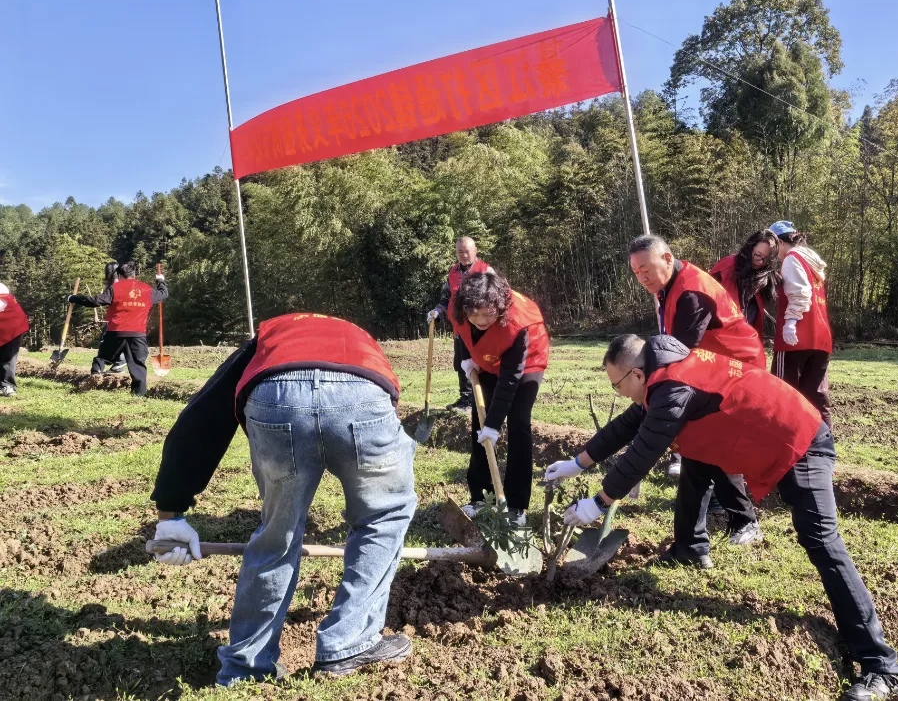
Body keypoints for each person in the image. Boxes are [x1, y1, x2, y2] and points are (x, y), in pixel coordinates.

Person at [544, 334, 898, 701]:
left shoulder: (673, 388)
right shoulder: (667, 372)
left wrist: (600, 502)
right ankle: (690, 547)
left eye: (616, 385)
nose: (618, 392)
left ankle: (881, 665)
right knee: (698, 458)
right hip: (772, 434)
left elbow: (644, 450)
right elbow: (629, 424)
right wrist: (577, 463)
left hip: (801, 443)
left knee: (822, 542)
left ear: (636, 374)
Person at [148, 312, 417, 685]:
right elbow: (387, 398)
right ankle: (350, 642)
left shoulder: (267, 339)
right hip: (362, 390)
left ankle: (247, 664)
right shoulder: (359, 337)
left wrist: (171, 513)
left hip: (277, 396)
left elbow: (202, 418)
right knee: (383, 515)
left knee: (278, 531)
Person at [628, 234, 765, 560]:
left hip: (736, 370)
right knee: (699, 450)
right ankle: (693, 543)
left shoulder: (691, 292)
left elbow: (677, 355)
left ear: (666, 258)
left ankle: (741, 522)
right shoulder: (670, 287)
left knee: (711, 443)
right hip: (710, 369)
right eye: (636, 272)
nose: (642, 276)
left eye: (646, 268)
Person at [449, 270, 548, 526]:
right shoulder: (460, 308)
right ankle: (480, 499)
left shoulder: (519, 323)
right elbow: (462, 333)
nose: (480, 320)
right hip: (488, 359)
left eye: (488, 314)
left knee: (518, 422)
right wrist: (466, 358)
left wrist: (494, 424)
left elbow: (510, 379)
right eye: (474, 313)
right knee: (478, 425)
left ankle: (516, 505)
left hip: (526, 365)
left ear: (500, 308)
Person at [770, 221, 834, 428]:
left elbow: (800, 293)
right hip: (821, 338)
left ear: (780, 241)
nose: (772, 251)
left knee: (783, 392)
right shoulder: (812, 263)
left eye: (772, 245)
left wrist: (790, 322)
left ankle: (784, 442)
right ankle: (823, 444)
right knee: (816, 395)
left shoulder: (791, 258)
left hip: (796, 338)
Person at [68, 262, 167, 396]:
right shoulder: (146, 289)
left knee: (103, 356)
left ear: (119, 275)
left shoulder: (115, 288)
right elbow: (163, 293)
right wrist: (160, 280)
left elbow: (95, 301)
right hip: (137, 334)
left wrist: (74, 298)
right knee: (138, 364)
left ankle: (95, 375)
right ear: (134, 275)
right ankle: (139, 394)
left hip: (116, 332)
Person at [426, 237, 491, 411]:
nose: (463, 255)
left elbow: (496, 298)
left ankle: (484, 400)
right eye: (459, 252)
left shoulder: (485, 271)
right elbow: (446, 298)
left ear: (475, 250)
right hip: (459, 328)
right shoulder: (453, 273)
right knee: (461, 363)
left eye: (467, 251)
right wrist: (437, 311)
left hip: (480, 329)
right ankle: (466, 399)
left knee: (481, 363)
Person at [710, 229, 780, 342]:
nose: (760, 262)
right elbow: (706, 294)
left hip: (746, 336)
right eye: (758, 255)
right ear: (750, 248)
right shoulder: (727, 266)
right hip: (721, 332)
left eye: (766, 259)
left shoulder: (766, 275)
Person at [0, 283, 29, 397]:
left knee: (8, 357)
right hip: (3, 326)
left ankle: (8, 386)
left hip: (12, 328)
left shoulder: (2, 295)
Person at [100, 262, 127, 375]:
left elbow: (104, 300)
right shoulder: (125, 283)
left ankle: (119, 361)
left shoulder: (113, 286)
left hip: (117, 318)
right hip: (126, 316)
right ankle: (118, 365)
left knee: (105, 339)